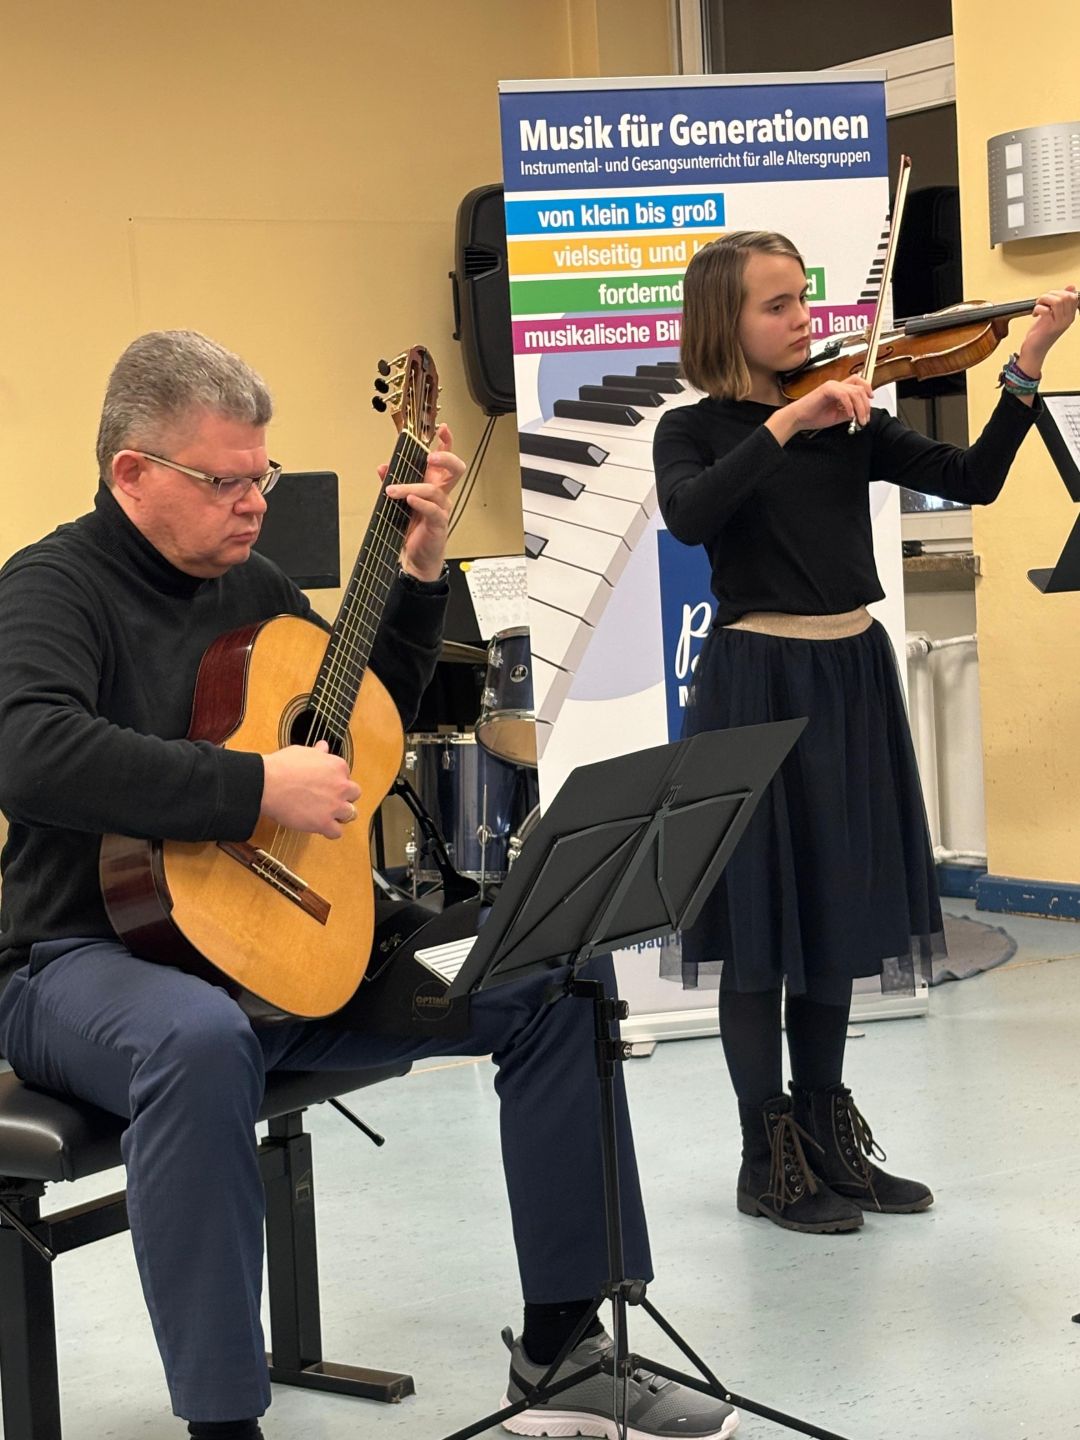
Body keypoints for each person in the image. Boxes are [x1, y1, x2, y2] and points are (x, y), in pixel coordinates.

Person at [0, 331, 739, 1440]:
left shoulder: (252, 585)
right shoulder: (51, 588)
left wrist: (419, 577)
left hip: (285, 946)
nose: (255, 504)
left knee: (552, 966)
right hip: (82, 958)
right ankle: (223, 1425)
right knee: (196, 1041)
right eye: (226, 481)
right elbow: (29, 753)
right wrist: (255, 786)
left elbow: (359, 721)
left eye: (264, 476)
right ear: (132, 472)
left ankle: (562, 1353)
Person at [653, 232, 1077, 1235]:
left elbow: (973, 478)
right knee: (760, 930)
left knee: (833, 913)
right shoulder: (694, 429)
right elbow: (691, 517)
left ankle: (828, 1141)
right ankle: (767, 1160)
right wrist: (787, 421)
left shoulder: (851, 418)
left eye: (804, 298)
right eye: (777, 305)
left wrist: (1027, 364)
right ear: (724, 321)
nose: (804, 319)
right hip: (758, 683)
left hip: (850, 674)